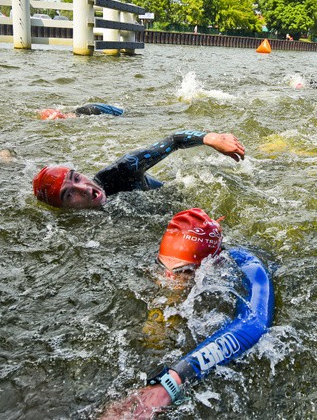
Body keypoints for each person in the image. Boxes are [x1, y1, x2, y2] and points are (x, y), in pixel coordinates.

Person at [100, 209, 273, 419]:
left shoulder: (249, 268)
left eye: (184, 271)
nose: (169, 280)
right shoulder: (164, 267)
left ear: (213, 264)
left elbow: (254, 324)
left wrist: (170, 383)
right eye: (162, 267)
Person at [33, 131, 245, 209]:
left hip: (176, 199)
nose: (84, 188)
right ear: (62, 208)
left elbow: (174, 140)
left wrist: (212, 138)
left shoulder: (121, 171)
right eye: (69, 194)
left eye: (77, 178)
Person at [39, 103, 124, 120]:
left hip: (93, 109)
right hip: (91, 107)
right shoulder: (70, 112)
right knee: (124, 113)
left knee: (124, 115)